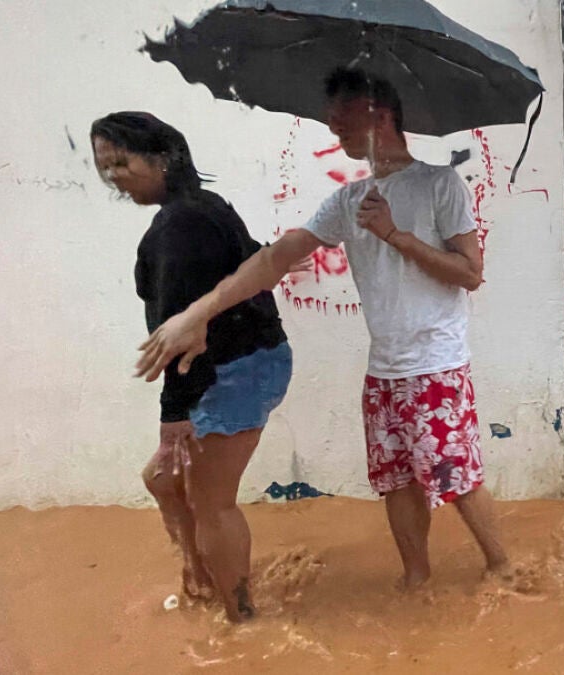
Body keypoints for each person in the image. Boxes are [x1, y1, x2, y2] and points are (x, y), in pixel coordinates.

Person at [134, 68, 510, 590]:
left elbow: (470, 273)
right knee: (397, 482)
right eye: (330, 115)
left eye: (341, 113)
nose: (332, 124)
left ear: (380, 114)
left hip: (437, 366)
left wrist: (394, 235)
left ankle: (503, 567)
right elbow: (275, 258)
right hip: (384, 372)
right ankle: (416, 581)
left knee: (457, 477)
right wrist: (198, 312)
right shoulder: (347, 201)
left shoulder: (439, 184)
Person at [91, 112, 292, 622]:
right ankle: (202, 574)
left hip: (232, 371)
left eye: (121, 162)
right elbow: (252, 261)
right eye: (104, 166)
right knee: (163, 480)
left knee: (212, 503)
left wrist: (174, 415)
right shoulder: (203, 206)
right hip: (252, 361)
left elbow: (179, 337)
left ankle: (241, 618)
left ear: (163, 158)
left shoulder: (180, 225)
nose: (113, 177)